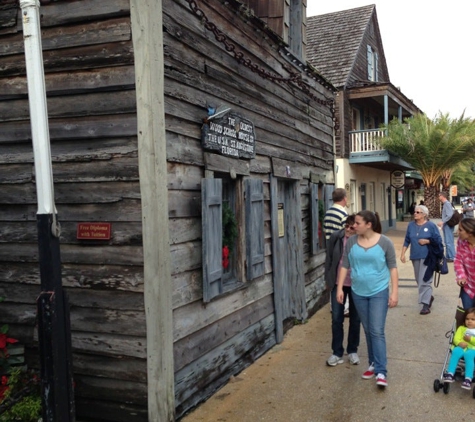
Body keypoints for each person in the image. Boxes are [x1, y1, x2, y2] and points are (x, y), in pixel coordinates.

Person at [336, 211, 399, 388]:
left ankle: (381, 371)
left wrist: (394, 293)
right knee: (368, 329)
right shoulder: (351, 242)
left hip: (379, 291)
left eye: (357, 223)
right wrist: (340, 288)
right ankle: (372, 363)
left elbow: (393, 268)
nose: (353, 226)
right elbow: (344, 266)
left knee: (377, 330)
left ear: (368, 224)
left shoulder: (385, 242)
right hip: (358, 292)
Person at [325, 214, 361, 367]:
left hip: (356, 284)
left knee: (355, 318)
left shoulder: (362, 240)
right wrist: (328, 279)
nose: (347, 229)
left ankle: (352, 350)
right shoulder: (336, 237)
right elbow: (329, 259)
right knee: (337, 318)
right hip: (338, 283)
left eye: (351, 227)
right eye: (346, 225)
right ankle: (337, 352)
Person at [400, 205, 443, 315]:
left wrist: (427, 241)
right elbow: (406, 240)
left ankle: (425, 305)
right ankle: (429, 297)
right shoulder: (410, 225)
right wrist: (402, 254)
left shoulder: (431, 226)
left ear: (424, 214)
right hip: (415, 256)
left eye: (418, 212)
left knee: (425, 280)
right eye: (415, 212)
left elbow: (438, 241)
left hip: (428, 257)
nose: (415, 214)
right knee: (419, 280)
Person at [443, 307, 475, 390]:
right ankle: (450, 373)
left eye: (473, 319)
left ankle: (468, 378)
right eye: (467, 319)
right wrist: (459, 343)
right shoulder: (461, 329)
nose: (469, 321)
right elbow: (456, 338)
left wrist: (470, 339)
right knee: (456, 351)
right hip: (460, 347)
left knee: (469, 355)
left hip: (473, 349)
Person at [455, 218, 475, 309]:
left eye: (460, 230)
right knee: (468, 317)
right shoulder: (461, 241)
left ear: (470, 233)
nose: (457, 232)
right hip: (468, 288)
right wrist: (461, 276)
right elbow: (458, 260)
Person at [437, 192, 455, 262]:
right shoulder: (445, 204)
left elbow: (449, 215)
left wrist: (443, 221)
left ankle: (451, 256)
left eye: (439, 195)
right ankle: (449, 256)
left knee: (448, 241)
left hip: (448, 224)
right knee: (448, 241)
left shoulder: (447, 204)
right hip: (446, 224)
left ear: (443, 196)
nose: (438, 197)